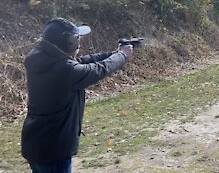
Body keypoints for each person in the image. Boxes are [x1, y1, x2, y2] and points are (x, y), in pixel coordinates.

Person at [21, 18, 134, 173]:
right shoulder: (65, 71)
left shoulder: (41, 59)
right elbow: (98, 69)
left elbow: (83, 61)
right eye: (77, 39)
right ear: (70, 43)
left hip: (37, 142)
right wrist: (122, 56)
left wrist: (113, 54)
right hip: (54, 149)